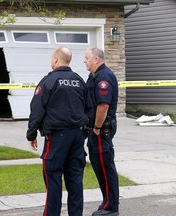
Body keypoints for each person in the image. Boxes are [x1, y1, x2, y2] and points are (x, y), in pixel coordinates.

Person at [26, 47, 90, 216]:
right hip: (77, 136)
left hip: (57, 138)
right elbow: (88, 108)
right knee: (75, 180)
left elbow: (37, 110)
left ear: (55, 59)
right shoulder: (79, 80)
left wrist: (31, 134)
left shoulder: (49, 81)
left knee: (53, 178)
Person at [84, 48, 119, 216]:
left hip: (100, 130)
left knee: (105, 167)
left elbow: (103, 106)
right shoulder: (95, 76)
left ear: (96, 59)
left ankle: (111, 207)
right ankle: (107, 201)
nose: (85, 61)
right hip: (96, 129)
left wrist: (97, 128)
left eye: (86, 58)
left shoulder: (103, 77)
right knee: (100, 166)